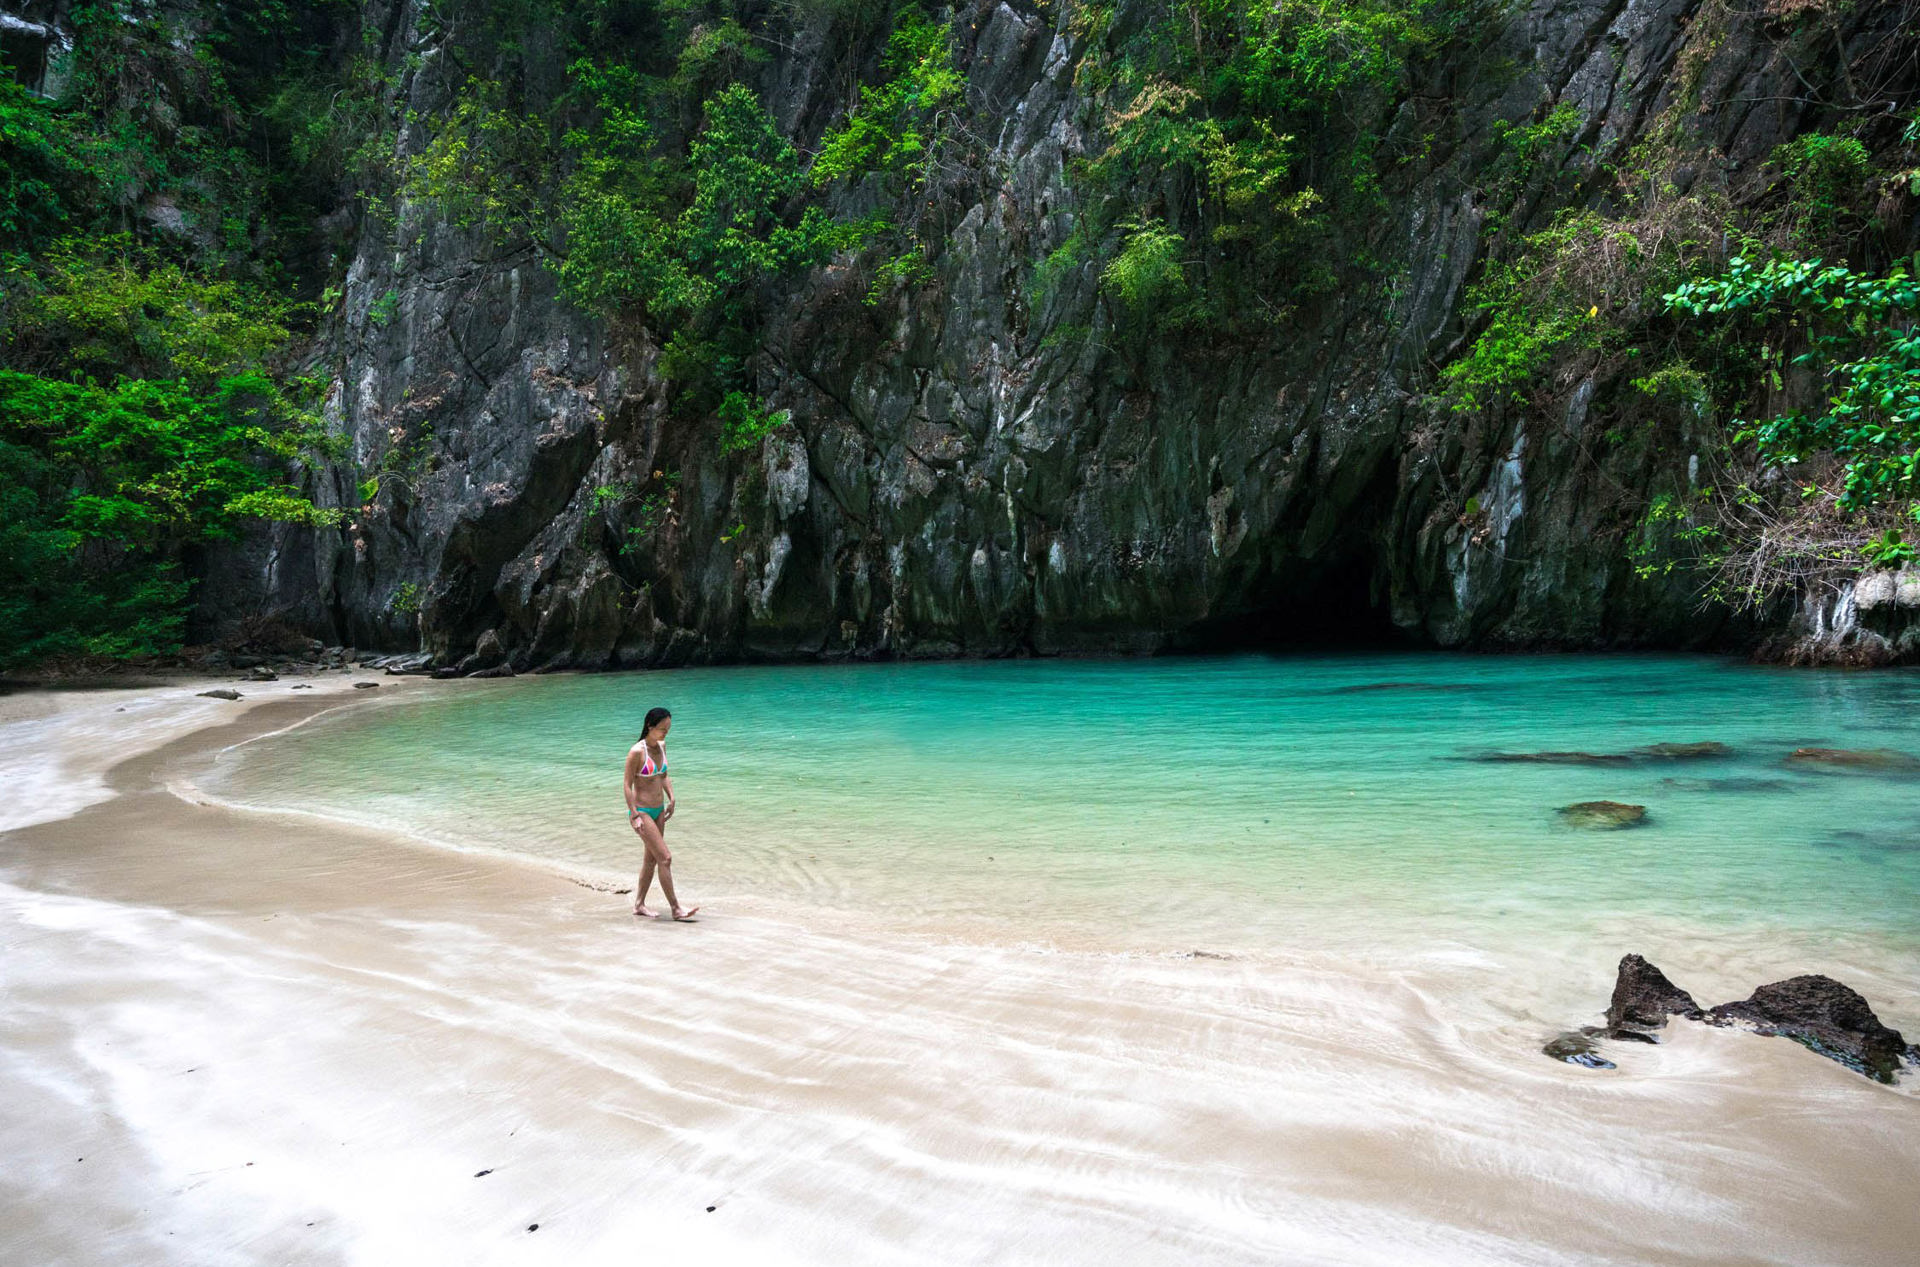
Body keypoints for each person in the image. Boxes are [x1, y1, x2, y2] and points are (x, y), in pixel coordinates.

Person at [625, 706, 696, 921]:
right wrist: (634, 814)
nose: (666, 733)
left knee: (651, 860)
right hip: (643, 812)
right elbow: (627, 785)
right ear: (650, 726)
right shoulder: (637, 752)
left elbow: (663, 775)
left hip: (658, 811)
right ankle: (676, 909)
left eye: (668, 729)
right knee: (665, 858)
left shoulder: (662, 747)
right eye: (663, 729)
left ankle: (639, 904)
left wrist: (672, 797)